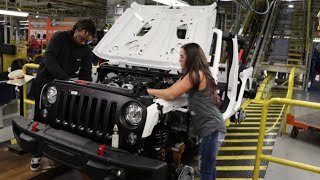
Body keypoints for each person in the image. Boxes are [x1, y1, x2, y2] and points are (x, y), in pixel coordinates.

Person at [147, 43, 226, 180]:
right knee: (209, 167)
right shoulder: (192, 74)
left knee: (206, 170)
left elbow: (171, 94)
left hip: (211, 127)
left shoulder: (195, 74)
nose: (179, 59)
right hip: (211, 126)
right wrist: (156, 91)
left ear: (190, 58)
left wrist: (146, 91)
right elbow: (171, 89)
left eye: (182, 56)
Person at [30, 18, 96, 171]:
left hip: (65, 88)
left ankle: (57, 154)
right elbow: (49, 59)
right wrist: (65, 79)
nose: (82, 42)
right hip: (46, 83)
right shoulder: (59, 38)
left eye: (86, 41)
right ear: (76, 29)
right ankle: (36, 155)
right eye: (81, 38)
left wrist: (84, 88)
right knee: (40, 119)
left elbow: (86, 73)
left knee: (61, 121)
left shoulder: (86, 50)